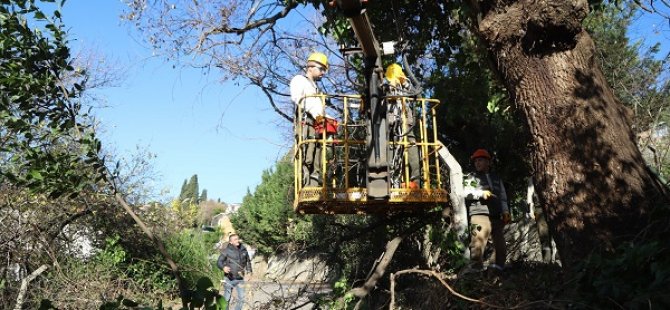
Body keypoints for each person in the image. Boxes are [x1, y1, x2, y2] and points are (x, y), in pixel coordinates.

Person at [290, 52, 334, 186]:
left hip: (317, 125)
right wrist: (315, 112)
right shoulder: (299, 80)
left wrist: (326, 118)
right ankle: (306, 187)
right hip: (306, 123)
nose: (323, 73)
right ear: (310, 67)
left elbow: (318, 108)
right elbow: (298, 98)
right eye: (321, 69)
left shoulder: (315, 87)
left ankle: (315, 187)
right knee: (307, 157)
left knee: (317, 157)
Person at [463, 149, 511, 271]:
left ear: (488, 162)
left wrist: (505, 211)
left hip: (496, 217)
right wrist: (480, 193)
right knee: (477, 247)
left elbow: (503, 197)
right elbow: (465, 192)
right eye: (475, 161)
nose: (477, 163)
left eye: (480, 160)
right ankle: (475, 276)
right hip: (479, 214)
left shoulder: (496, 178)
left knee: (501, 249)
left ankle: (495, 273)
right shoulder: (471, 177)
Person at [385, 63, 420, 189]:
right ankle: (390, 182)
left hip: (406, 124)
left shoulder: (405, 87)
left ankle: (415, 183)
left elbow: (417, 94)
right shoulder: (385, 86)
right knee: (392, 151)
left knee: (412, 150)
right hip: (392, 126)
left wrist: (405, 83)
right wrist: (390, 86)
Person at [217, 233, 252, 310]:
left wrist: (249, 272)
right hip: (229, 278)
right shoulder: (226, 251)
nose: (238, 240)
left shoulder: (243, 249)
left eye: (238, 238)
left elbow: (248, 261)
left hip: (240, 279)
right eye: (235, 239)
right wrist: (223, 267)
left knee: (242, 299)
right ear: (231, 242)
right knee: (226, 298)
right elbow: (219, 262)